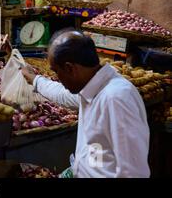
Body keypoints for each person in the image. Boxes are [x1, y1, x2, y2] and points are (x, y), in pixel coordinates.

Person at [21, 29, 150, 178]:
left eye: (56, 71)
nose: (58, 78)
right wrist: (35, 79)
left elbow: (134, 173)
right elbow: (62, 95)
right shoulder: (91, 87)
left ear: (70, 68)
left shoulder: (116, 98)